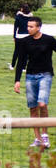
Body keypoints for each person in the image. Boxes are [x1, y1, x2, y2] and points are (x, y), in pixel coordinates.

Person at [14, 15, 56, 149]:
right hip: (30, 76)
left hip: (45, 75)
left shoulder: (49, 40)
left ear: (39, 27)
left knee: (42, 104)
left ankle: (45, 136)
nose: (28, 29)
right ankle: (37, 139)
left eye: (31, 27)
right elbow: (20, 62)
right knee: (33, 108)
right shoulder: (25, 41)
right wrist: (17, 80)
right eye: (28, 26)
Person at [12, 5, 33, 75]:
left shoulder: (18, 17)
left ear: (22, 9)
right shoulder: (31, 18)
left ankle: (12, 66)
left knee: (16, 51)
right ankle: (24, 68)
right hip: (28, 36)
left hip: (19, 36)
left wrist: (14, 36)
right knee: (26, 53)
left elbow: (15, 27)